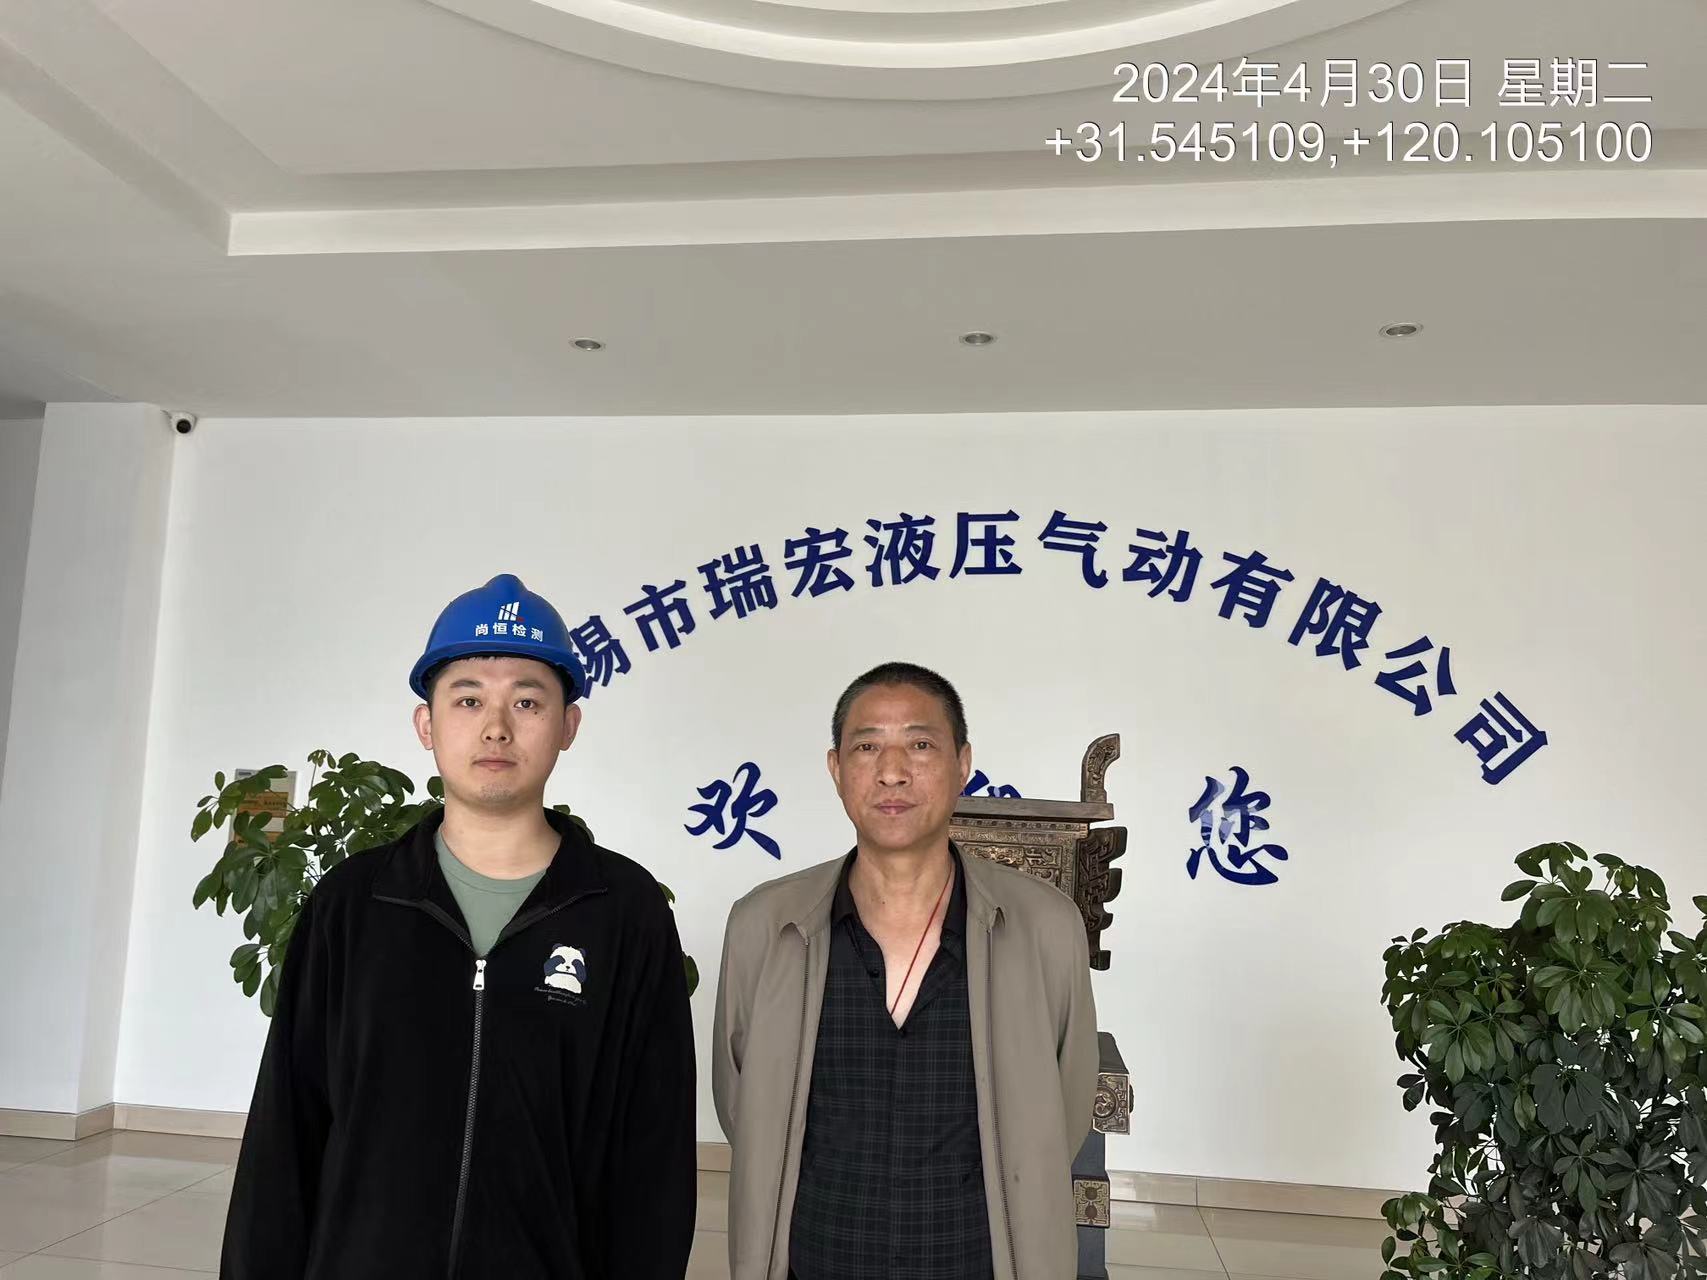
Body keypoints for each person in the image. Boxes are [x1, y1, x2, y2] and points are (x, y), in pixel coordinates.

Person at [221, 573, 696, 1279]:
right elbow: (285, 1132)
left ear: (568, 727)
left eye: (527, 702)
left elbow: (653, 1154)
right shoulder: (354, 904)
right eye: (468, 699)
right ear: (427, 725)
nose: (496, 726)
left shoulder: (624, 911)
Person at [713, 662, 1097, 1280]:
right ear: (836, 769)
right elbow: (744, 1103)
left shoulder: (1043, 926)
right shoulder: (766, 925)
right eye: (867, 747)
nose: (892, 771)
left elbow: (1064, 1109)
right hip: (816, 1257)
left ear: (963, 763)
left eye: (920, 745)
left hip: (975, 1260)